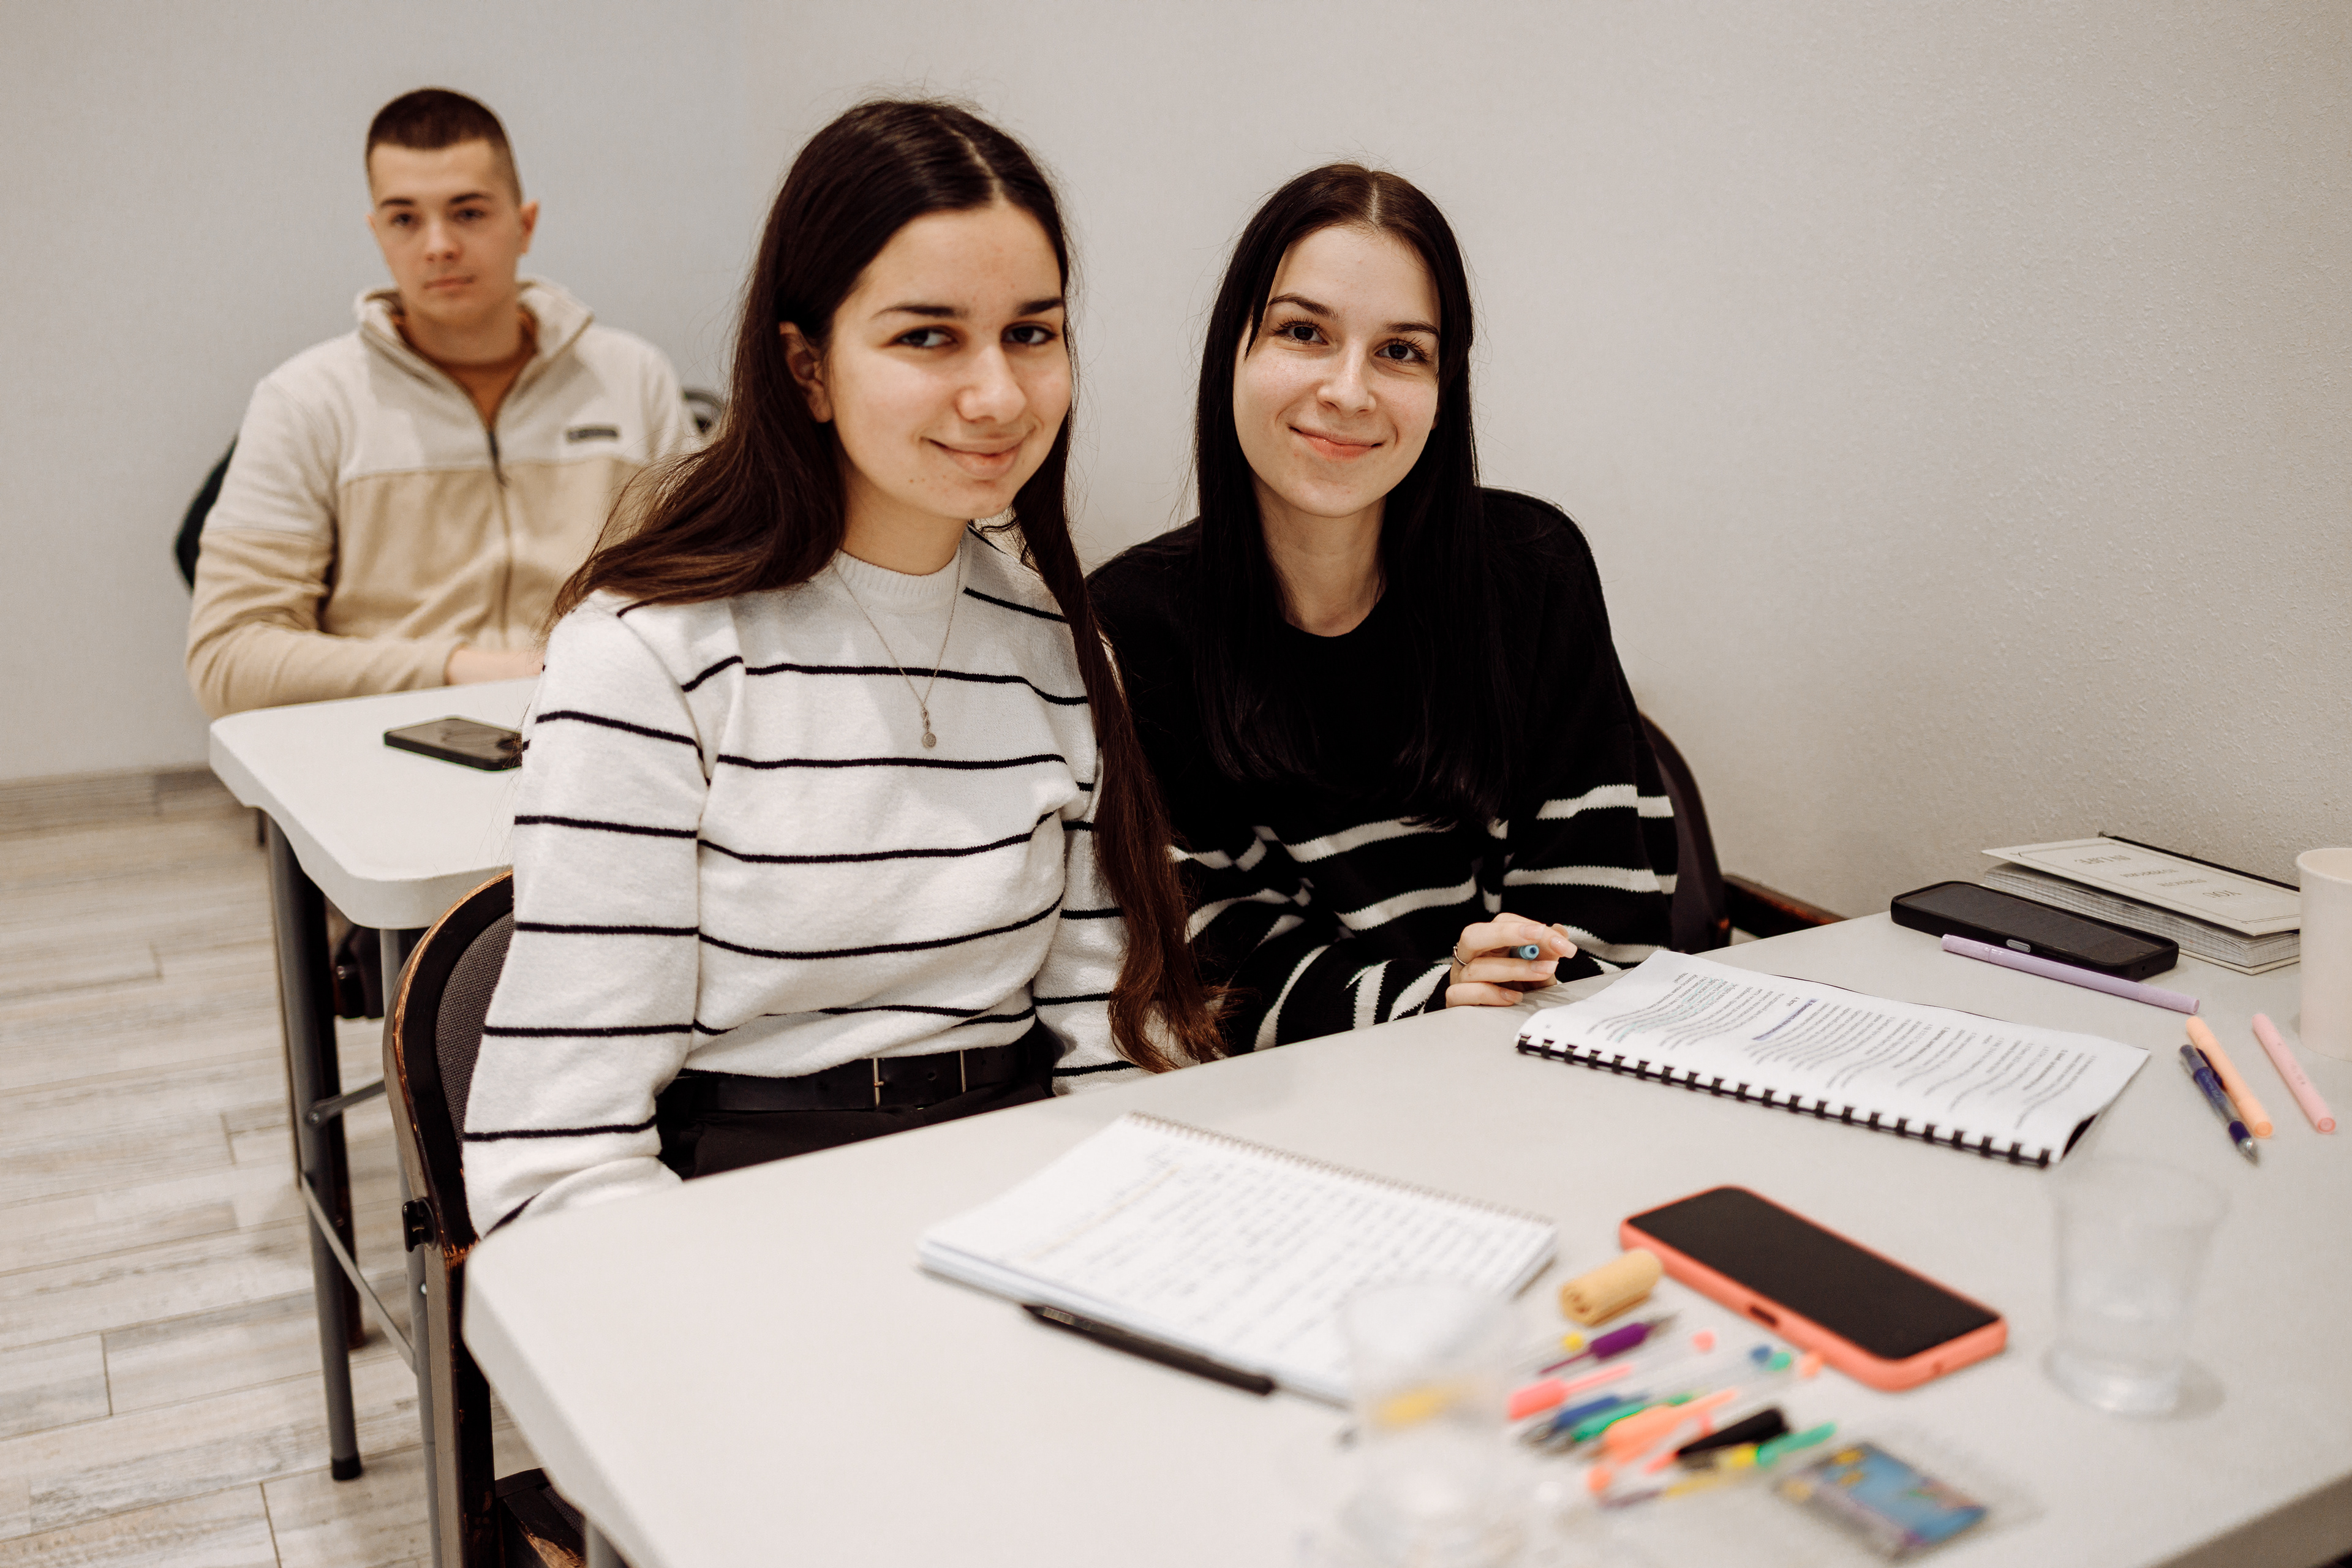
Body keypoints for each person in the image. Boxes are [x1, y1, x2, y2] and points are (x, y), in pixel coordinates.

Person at [460, 100, 1224, 1231]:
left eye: (1031, 333)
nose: (998, 396)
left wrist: (1160, 1233)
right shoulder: (648, 658)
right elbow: (560, 1154)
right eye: (928, 337)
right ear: (807, 366)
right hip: (740, 1207)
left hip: (1020, 1189)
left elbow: (1118, 1045)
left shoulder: (1062, 651)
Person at [1089, 165, 1678, 1053]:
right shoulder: (1135, 625)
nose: (1350, 391)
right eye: (1303, 332)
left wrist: (1508, 977)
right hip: (1312, 1103)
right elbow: (1211, 972)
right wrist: (1440, 996)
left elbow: (1610, 913)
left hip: (1550, 1072)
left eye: (1402, 351)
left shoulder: (1533, 569)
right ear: (1231, 354)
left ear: (1445, 391)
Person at [184, 88, 700, 718]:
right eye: (405, 220)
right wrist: (466, 670)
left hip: (602, 724)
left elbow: (703, 591)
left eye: (468, 213)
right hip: (379, 738)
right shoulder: (305, 401)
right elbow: (229, 659)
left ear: (525, 225)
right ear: (378, 234)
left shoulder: (634, 379)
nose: (438, 246)